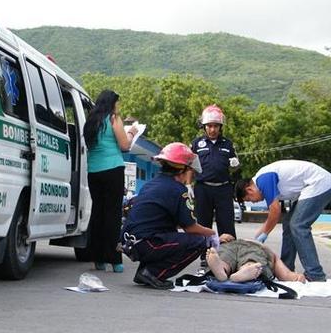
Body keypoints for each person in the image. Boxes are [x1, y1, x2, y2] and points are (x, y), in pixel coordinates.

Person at [121, 142, 218, 289]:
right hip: (145, 243)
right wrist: (211, 234)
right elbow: (190, 228)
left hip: (130, 241)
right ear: (183, 170)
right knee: (198, 242)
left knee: (171, 233)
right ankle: (153, 273)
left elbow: (174, 220)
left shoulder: (152, 184)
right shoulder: (178, 190)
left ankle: (144, 272)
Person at [234, 160, 331, 282]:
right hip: (311, 186)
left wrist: (265, 234)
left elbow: (275, 211)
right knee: (289, 224)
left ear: (249, 190)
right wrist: (257, 238)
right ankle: (285, 269)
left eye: (250, 200)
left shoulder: (263, 180)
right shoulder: (262, 178)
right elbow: (271, 216)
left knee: (298, 225)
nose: (253, 202)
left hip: (319, 183)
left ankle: (315, 274)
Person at [84, 90, 138, 273]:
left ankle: (98, 259)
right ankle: (115, 260)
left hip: (93, 171)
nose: (118, 107)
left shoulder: (90, 122)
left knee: (98, 213)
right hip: (112, 169)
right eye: (117, 103)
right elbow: (125, 145)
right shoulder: (113, 118)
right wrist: (131, 133)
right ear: (111, 104)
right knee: (113, 214)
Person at [191, 104, 239, 268]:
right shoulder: (197, 143)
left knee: (226, 223)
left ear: (220, 127)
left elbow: (234, 166)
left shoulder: (228, 144)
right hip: (202, 188)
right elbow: (190, 166)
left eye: (216, 126)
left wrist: (235, 165)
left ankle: (229, 258)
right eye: (209, 126)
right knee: (203, 223)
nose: (212, 129)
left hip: (224, 188)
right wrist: (188, 186)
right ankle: (205, 257)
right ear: (204, 126)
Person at [206, 234, 306, 282]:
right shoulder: (269, 252)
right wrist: (295, 277)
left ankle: (222, 269)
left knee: (225, 256)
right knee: (252, 257)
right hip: (255, 246)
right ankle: (247, 268)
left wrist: (222, 239)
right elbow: (285, 275)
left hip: (231, 244)